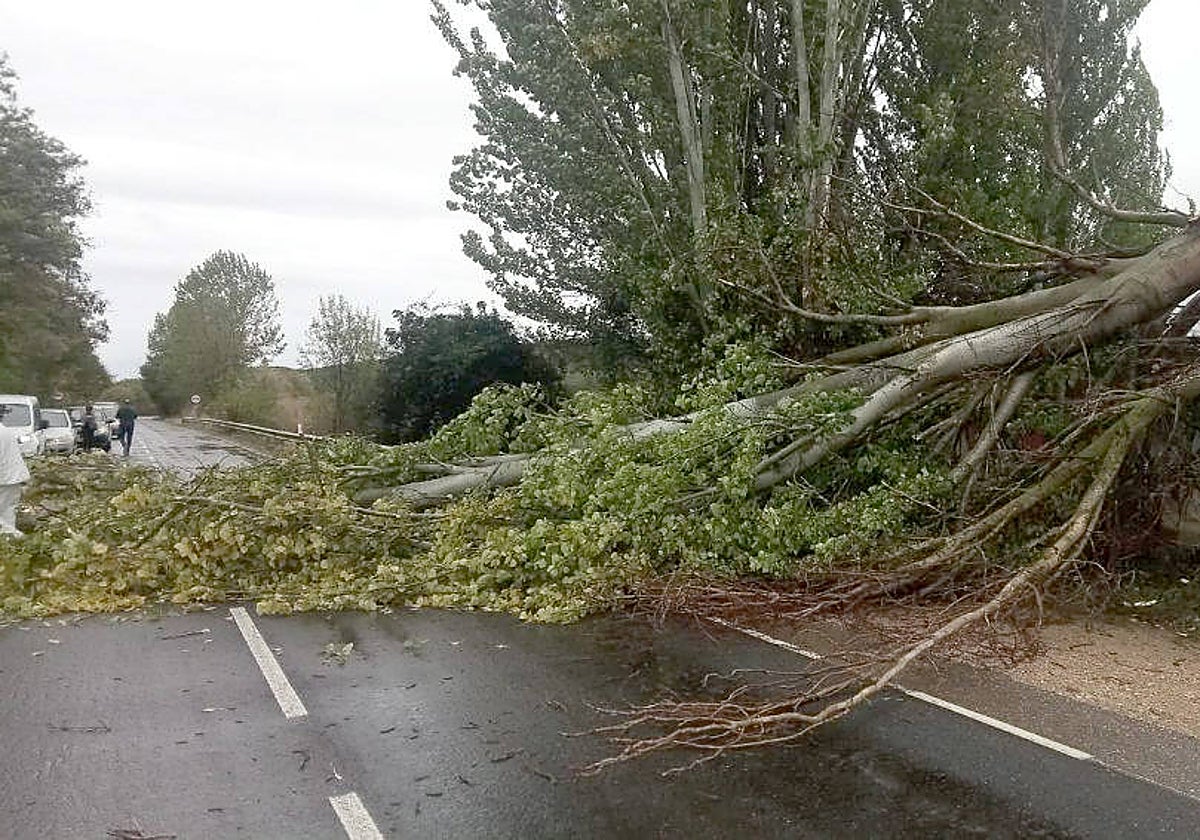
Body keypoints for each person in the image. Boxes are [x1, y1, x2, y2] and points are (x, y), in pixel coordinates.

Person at [0, 405, 31, 536]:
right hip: (12, 477)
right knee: (7, 514)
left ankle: (15, 538)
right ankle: (11, 543)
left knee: (4, 520)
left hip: (4, 478)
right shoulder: (5, 431)